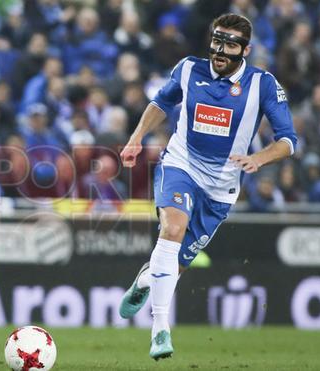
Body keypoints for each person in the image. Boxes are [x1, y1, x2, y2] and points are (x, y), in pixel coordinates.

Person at [118, 13, 297, 361]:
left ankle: (144, 282)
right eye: (217, 40)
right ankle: (159, 330)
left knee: (178, 262)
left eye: (230, 43)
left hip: (221, 187)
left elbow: (289, 140)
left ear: (244, 50)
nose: (220, 49)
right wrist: (137, 137)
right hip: (181, 164)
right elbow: (161, 102)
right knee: (172, 228)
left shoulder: (262, 84)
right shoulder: (188, 68)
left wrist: (259, 158)